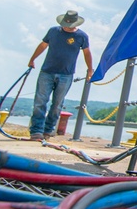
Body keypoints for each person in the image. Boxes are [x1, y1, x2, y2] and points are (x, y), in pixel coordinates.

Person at [27, 10, 94, 141]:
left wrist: (90, 70)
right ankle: (36, 131)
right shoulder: (53, 31)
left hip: (66, 74)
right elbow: (43, 45)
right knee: (40, 101)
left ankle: (48, 130)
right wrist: (32, 59)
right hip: (47, 71)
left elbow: (87, 53)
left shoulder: (82, 36)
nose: (67, 26)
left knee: (57, 104)